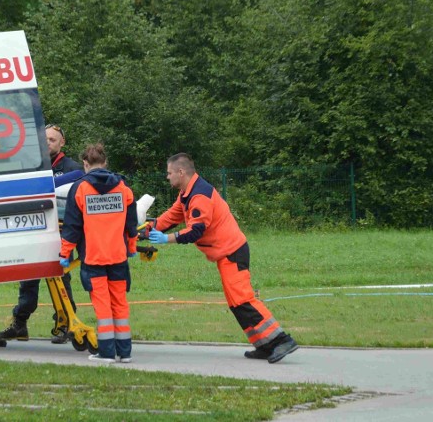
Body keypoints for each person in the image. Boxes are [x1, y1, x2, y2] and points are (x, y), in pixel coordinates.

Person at [148, 153, 299, 363]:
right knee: (236, 304)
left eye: (169, 173)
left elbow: (196, 231)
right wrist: (147, 229)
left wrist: (166, 239)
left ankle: (281, 340)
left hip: (232, 252)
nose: (167, 177)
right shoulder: (187, 193)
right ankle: (263, 345)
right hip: (227, 253)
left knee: (243, 300)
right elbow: (171, 216)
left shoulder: (199, 195)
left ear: (181, 172)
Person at [0, 124, 83, 344]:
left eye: (52, 140)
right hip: (33, 230)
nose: (47, 143)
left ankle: (65, 323)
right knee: (28, 278)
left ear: (62, 142)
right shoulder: (32, 165)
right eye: (44, 139)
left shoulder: (71, 167)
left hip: (61, 233)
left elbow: (78, 179)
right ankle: (20, 323)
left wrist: (47, 184)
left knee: (61, 278)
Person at [60, 143, 138, 363]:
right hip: (118, 257)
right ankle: (125, 352)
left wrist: (65, 254)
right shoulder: (123, 187)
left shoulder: (80, 188)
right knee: (120, 303)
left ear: (85, 164)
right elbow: (131, 224)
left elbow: (72, 227)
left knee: (103, 306)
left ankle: (106, 352)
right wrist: (131, 247)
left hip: (93, 258)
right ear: (106, 163)